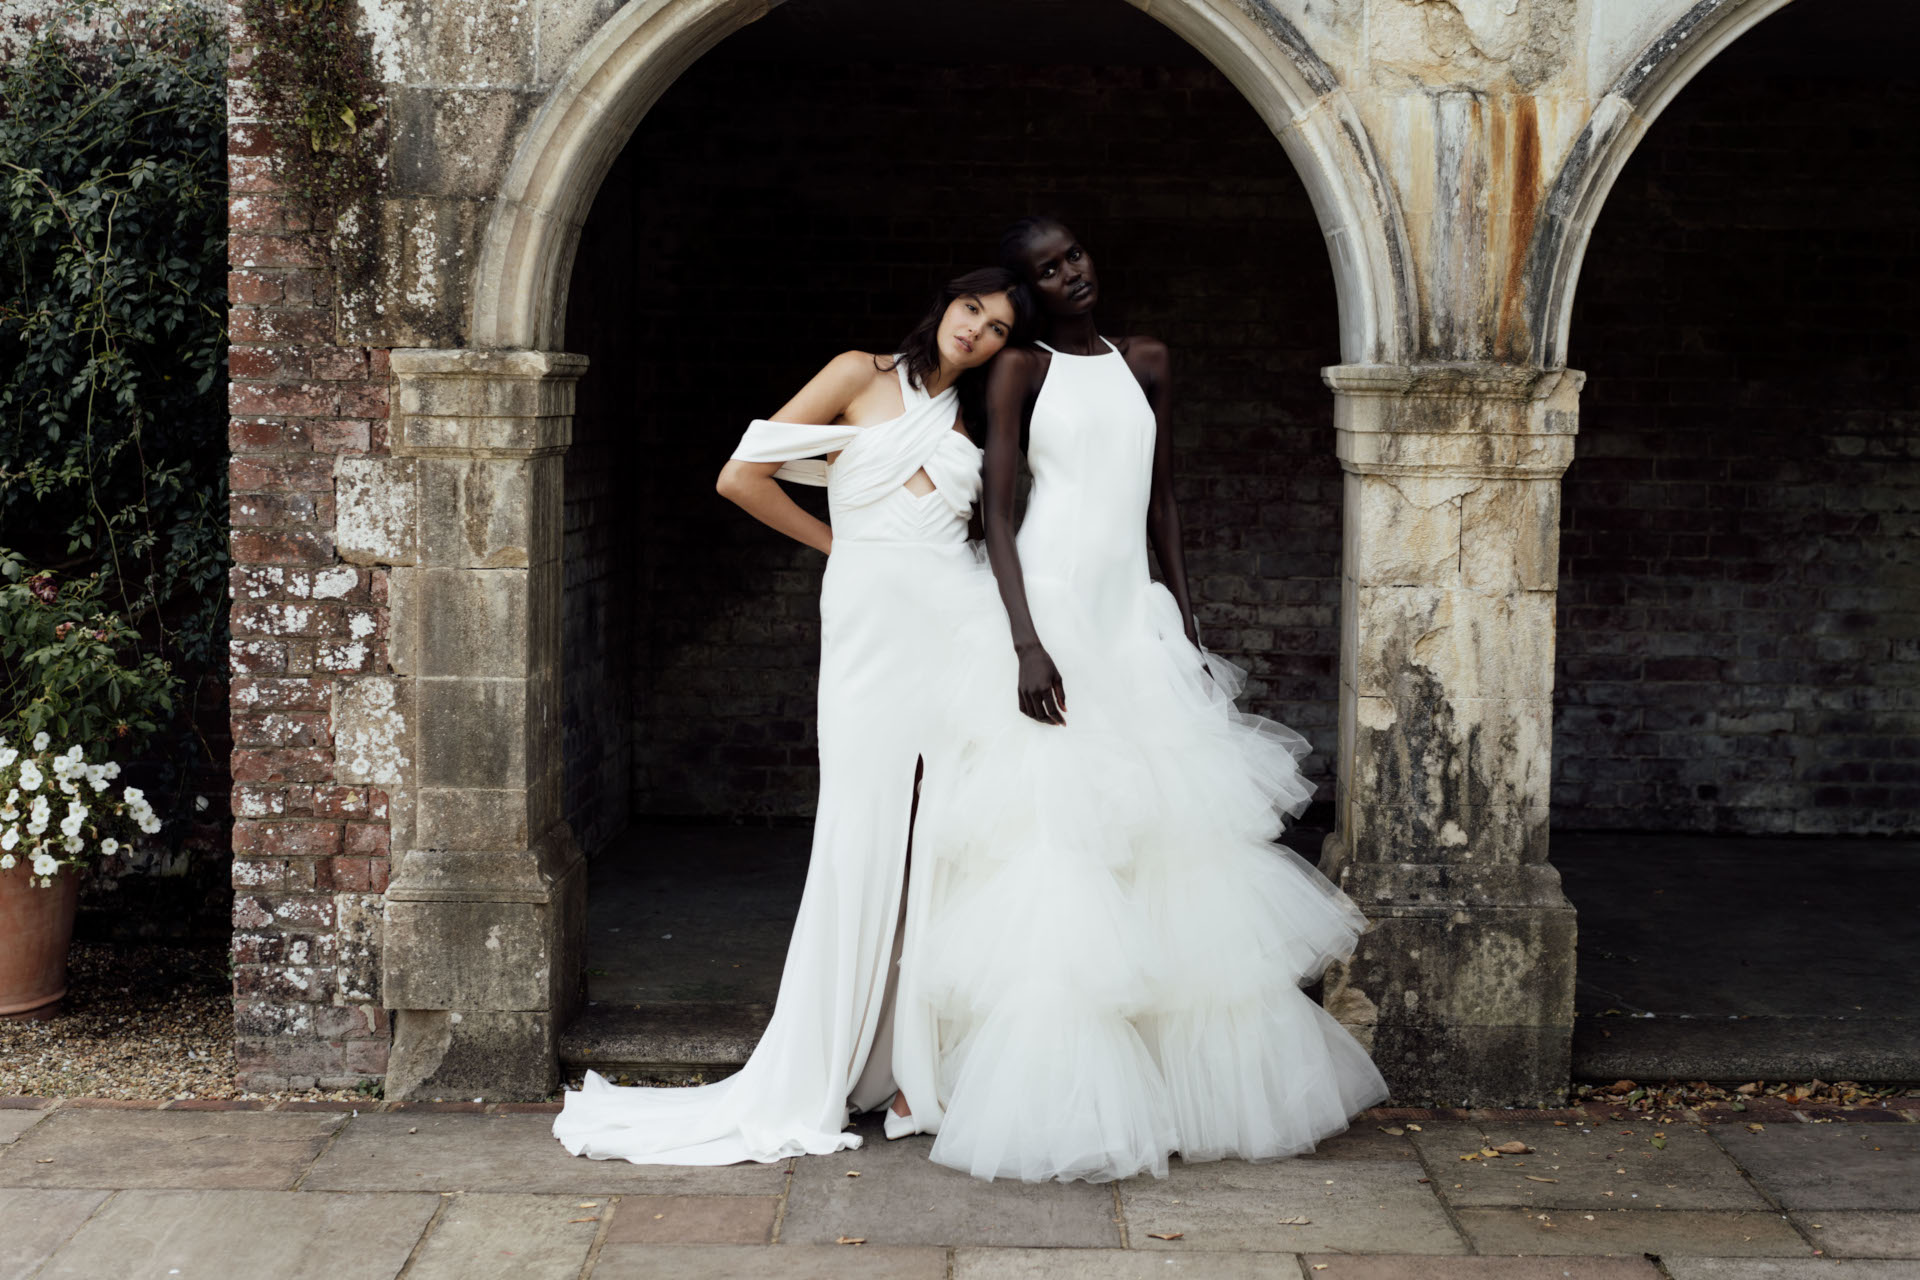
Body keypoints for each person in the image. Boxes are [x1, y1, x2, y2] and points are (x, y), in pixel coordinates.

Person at [908, 218, 1391, 1183]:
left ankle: (1178, 1088)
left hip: (1132, 617)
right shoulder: (1022, 372)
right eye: (1045, 270)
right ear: (1030, 289)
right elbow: (999, 515)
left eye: (1075, 255)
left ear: (1094, 258)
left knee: (1175, 841)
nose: (1068, 273)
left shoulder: (1148, 359)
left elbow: (1160, 495)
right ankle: (1058, 1099)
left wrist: (1188, 619)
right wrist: (1026, 644)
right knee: (1056, 841)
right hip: (1050, 613)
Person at [552, 268, 1025, 1165]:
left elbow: (985, 530)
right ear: (944, 304)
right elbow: (743, 476)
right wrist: (838, 544)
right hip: (868, 619)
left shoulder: (973, 417)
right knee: (860, 828)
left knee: (947, 836)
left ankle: (919, 1065)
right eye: (973, 310)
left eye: (999, 328)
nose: (979, 332)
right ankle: (827, 1055)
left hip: (959, 624)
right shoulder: (857, 373)